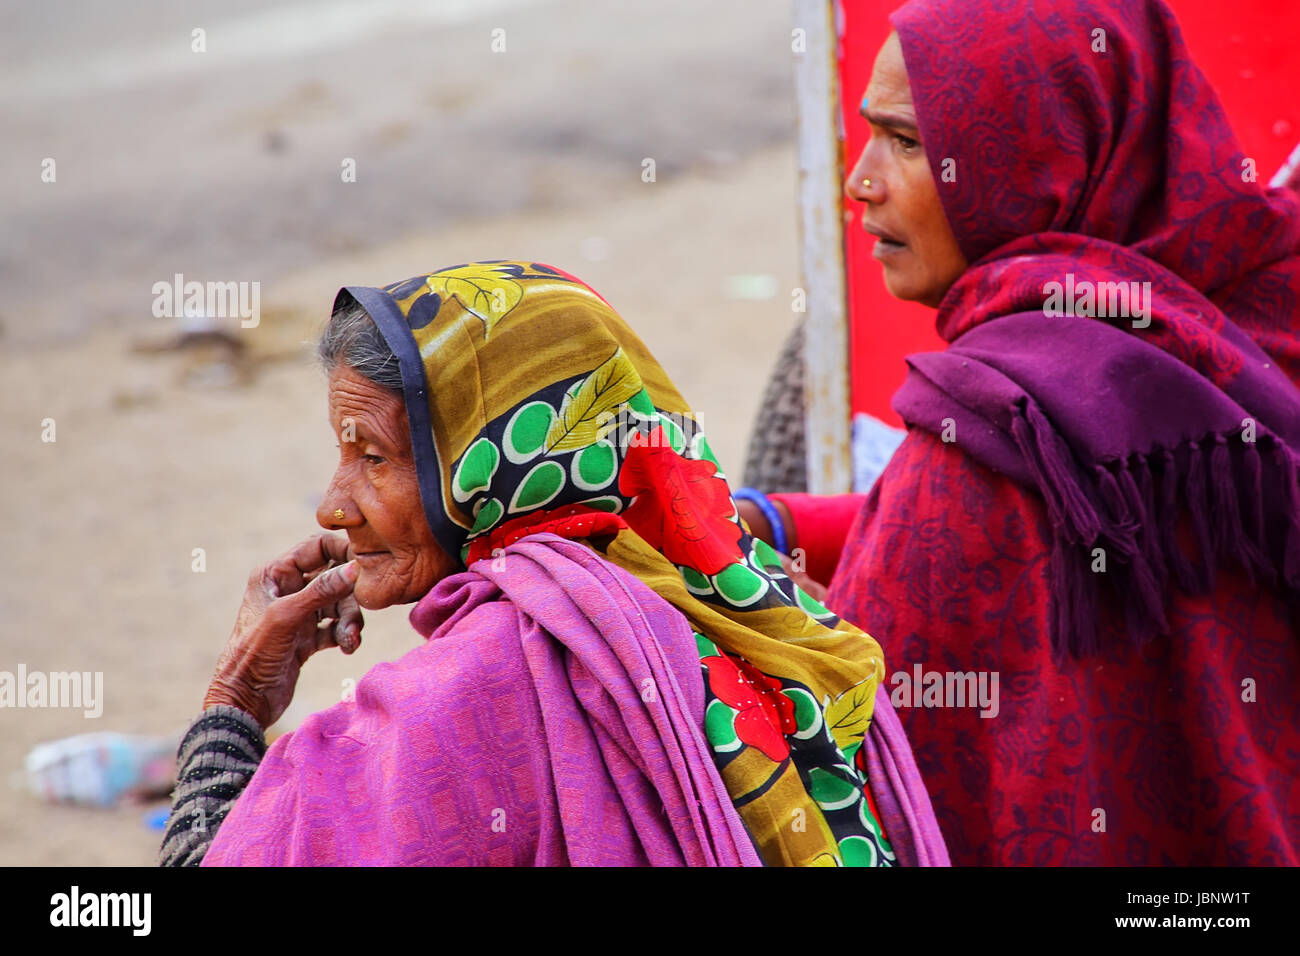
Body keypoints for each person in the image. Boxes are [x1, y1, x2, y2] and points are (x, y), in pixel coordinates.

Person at [738, 0, 1300, 865]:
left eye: (909, 142)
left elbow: (853, 769)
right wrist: (785, 529)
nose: (861, 180)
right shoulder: (1257, 320)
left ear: (1033, 155)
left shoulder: (989, 436)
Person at [158, 260, 947, 867]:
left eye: (374, 458)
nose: (333, 504)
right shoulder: (757, 600)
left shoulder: (476, 690)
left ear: (484, 465)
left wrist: (236, 697)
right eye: (340, 455)